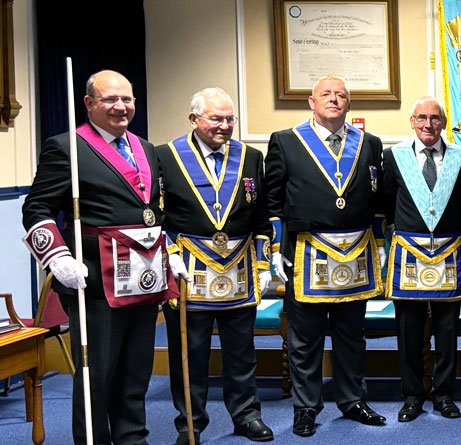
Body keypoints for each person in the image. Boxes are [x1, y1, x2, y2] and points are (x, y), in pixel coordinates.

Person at [22, 69, 173, 445]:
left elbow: (150, 211)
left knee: (136, 367)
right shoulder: (66, 147)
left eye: (127, 99)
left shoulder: (146, 147)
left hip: (143, 275)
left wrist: (169, 252)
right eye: (110, 99)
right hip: (94, 281)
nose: (121, 107)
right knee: (97, 373)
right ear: (89, 103)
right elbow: (36, 208)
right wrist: (57, 258)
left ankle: (132, 437)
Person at [264, 75, 389, 437]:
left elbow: (378, 202)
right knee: (306, 337)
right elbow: (273, 201)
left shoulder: (369, 143)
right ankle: (306, 407)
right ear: (311, 101)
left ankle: (352, 400)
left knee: (352, 333)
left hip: (356, 253)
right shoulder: (286, 141)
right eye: (326, 95)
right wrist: (275, 248)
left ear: (349, 104)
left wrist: (380, 246)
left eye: (341, 96)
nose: (334, 100)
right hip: (307, 253)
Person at [157, 87, 274, 443]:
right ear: (194, 119)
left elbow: (261, 215)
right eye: (215, 119)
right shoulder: (166, 156)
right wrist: (169, 255)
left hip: (239, 269)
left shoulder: (251, 157)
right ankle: (190, 423)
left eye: (229, 119)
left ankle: (246, 415)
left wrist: (265, 261)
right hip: (188, 269)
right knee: (189, 354)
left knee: (242, 351)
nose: (224, 126)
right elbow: (156, 218)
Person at [379, 97, 461, 422]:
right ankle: (412, 395)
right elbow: (387, 203)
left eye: (435, 118)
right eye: (422, 117)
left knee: (448, 331)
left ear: (444, 123)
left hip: (449, 253)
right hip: (408, 255)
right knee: (408, 330)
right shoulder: (393, 157)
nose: (428, 124)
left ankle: (445, 394)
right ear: (411, 121)